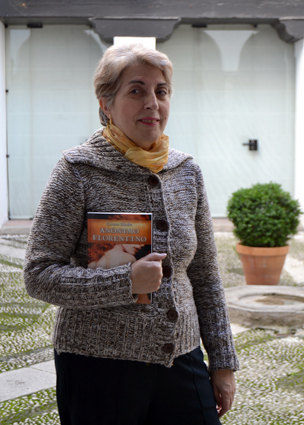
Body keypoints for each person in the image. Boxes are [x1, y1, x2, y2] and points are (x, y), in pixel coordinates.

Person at [24, 43, 239, 425]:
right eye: (136, 90)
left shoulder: (187, 172)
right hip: (97, 368)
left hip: (182, 358)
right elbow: (39, 274)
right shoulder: (77, 171)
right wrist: (127, 281)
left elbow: (205, 277)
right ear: (106, 103)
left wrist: (222, 362)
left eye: (161, 91)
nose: (152, 102)